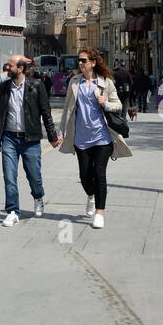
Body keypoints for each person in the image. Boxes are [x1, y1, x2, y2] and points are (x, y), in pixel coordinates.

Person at [59, 46, 131, 229]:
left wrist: (105, 103)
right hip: (81, 138)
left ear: (93, 63)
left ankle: (100, 212)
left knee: (99, 174)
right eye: (79, 60)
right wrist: (61, 131)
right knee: (84, 176)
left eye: (83, 60)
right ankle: (90, 196)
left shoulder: (106, 82)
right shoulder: (74, 82)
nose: (80, 63)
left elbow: (118, 105)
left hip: (102, 137)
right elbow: (68, 108)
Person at [0, 55, 59, 225]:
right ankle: (13, 211)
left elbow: (46, 112)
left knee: (34, 175)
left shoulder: (36, 85)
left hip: (31, 138)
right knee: (9, 176)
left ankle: (38, 197)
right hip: (9, 138)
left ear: (20, 69)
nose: (7, 68)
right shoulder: (4, 88)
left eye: (11, 65)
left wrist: (52, 136)